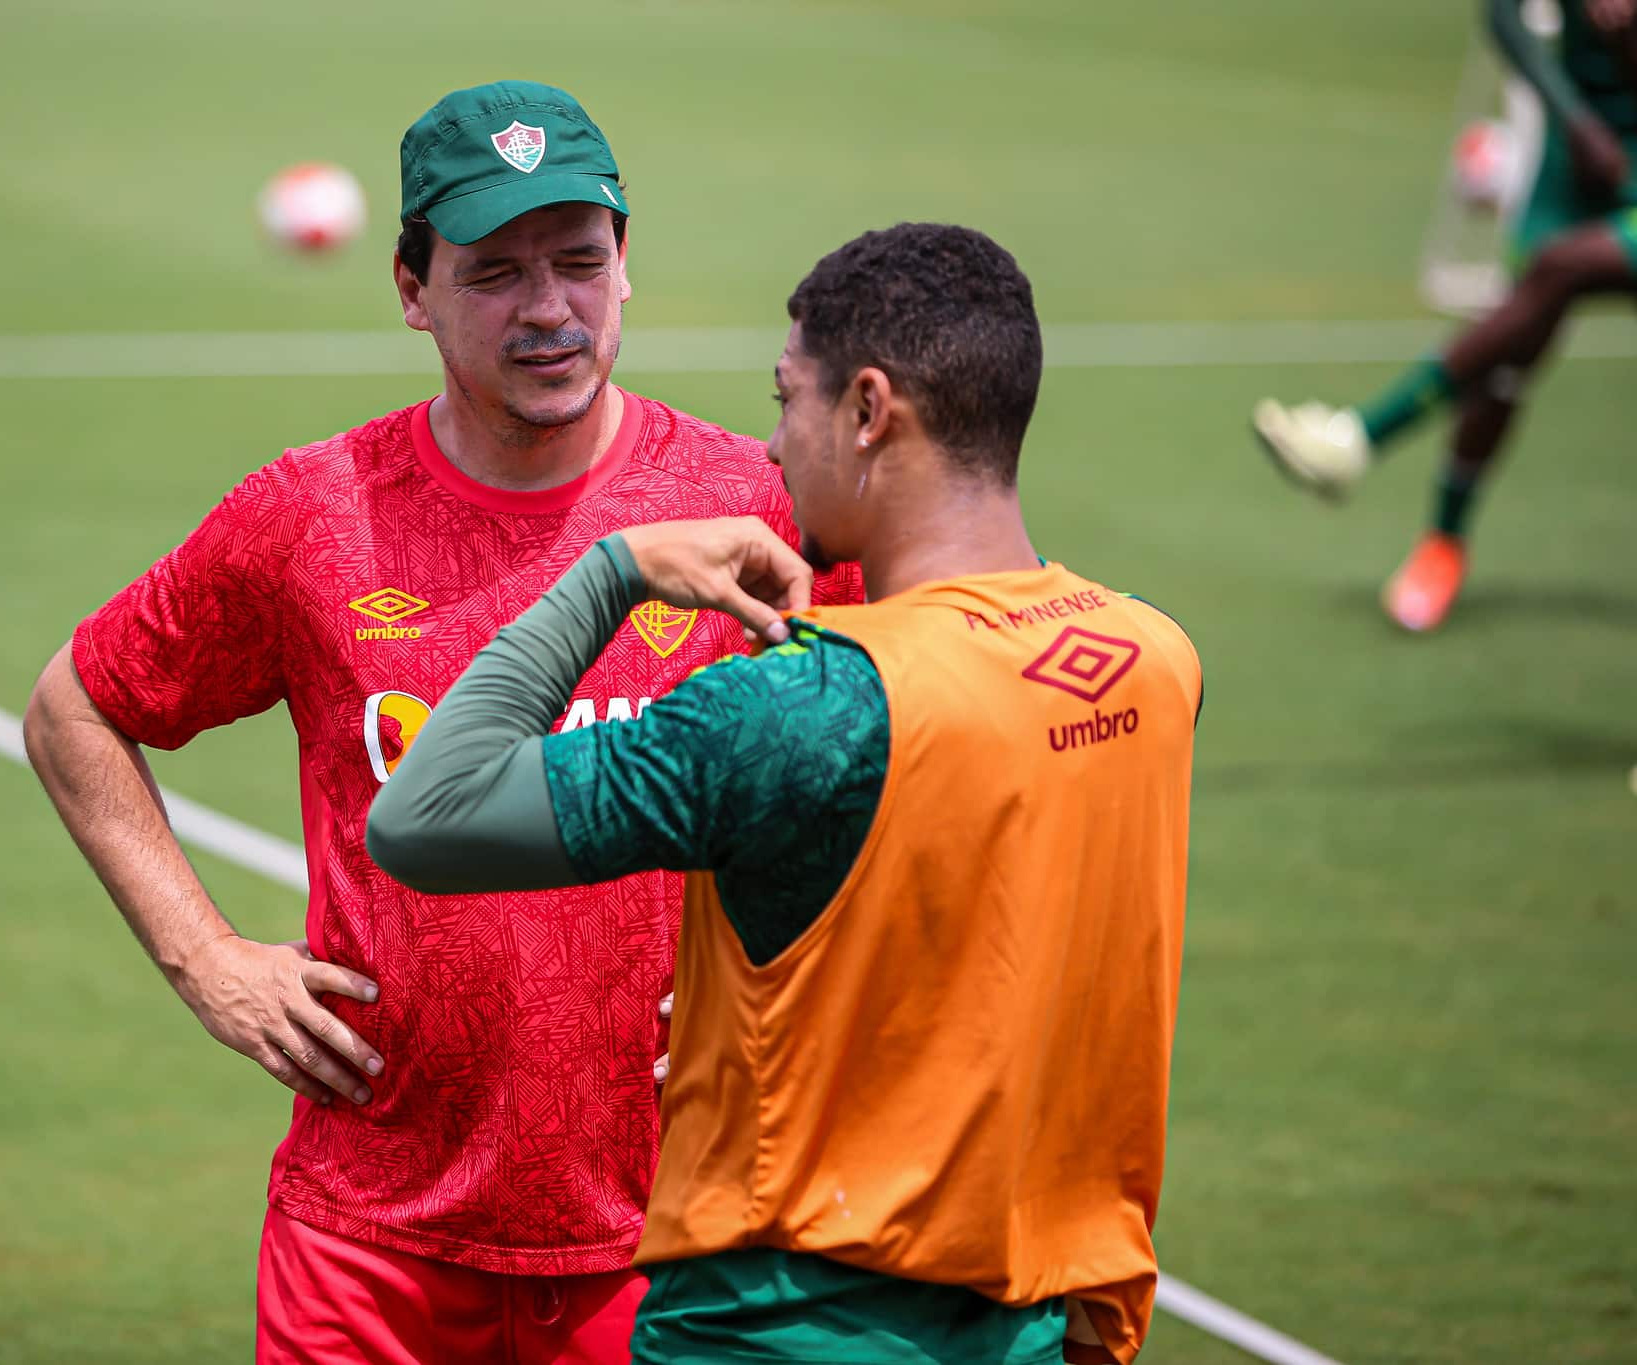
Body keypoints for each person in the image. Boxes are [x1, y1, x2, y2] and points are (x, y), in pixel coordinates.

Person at [22, 80, 858, 1363]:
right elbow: (75, 706)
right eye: (495, 273)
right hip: (370, 1244)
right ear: (412, 288)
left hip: (682, 1233)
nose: (548, 310)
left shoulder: (753, 504)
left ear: (625, 267)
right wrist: (206, 959)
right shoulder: (312, 516)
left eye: (579, 262)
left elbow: (910, 760)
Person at [368, 223, 1202, 1365]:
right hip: (1037, 1320)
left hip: (778, 1325)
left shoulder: (798, 708)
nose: (770, 446)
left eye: (786, 399)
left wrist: (610, 569)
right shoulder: (1149, 658)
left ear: (867, 410)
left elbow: (425, 815)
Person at [1252, 0, 1637, 632]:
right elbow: (1505, 16)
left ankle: (1359, 439)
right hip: (1575, 156)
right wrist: (1570, 116)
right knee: (1510, 351)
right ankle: (1442, 544)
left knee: (1558, 270)